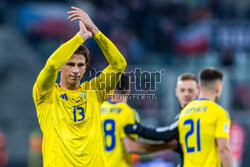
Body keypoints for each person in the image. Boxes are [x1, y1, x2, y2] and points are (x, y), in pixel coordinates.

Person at [32, 6, 127, 167]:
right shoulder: (46, 94)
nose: (76, 70)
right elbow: (51, 66)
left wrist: (96, 32)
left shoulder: (95, 91)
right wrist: (79, 38)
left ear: (85, 67)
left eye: (80, 65)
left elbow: (119, 64)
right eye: (70, 64)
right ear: (62, 66)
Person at [100, 74, 176, 167]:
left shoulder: (99, 109)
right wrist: (166, 146)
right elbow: (131, 147)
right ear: (128, 90)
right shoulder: (127, 112)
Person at [124, 73, 199, 167]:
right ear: (176, 92)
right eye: (182, 90)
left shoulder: (192, 116)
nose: (186, 94)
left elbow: (164, 134)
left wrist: (136, 129)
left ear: (198, 91)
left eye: (190, 90)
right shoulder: (184, 115)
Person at [178, 68, 233, 167]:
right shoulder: (219, 112)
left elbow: (183, 149)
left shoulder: (184, 112)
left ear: (199, 87)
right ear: (217, 88)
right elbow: (223, 149)